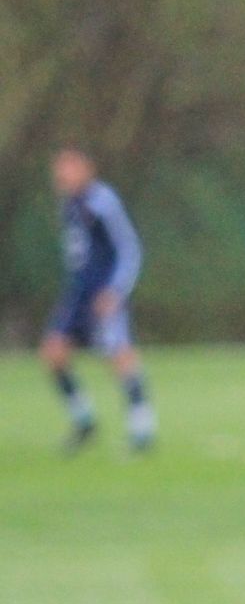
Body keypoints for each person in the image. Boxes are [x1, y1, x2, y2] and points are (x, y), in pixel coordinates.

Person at [41, 148, 156, 454]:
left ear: (86, 168)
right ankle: (85, 422)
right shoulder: (70, 204)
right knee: (53, 353)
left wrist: (115, 290)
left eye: (67, 167)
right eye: (58, 167)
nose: (61, 174)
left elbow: (129, 248)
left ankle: (142, 429)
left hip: (104, 294)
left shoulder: (102, 201)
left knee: (118, 354)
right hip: (77, 294)